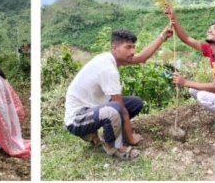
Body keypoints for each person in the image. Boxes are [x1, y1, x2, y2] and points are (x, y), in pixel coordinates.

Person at [64, 26, 172, 161]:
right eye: (128, 47)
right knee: (116, 108)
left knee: (135, 103)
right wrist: (131, 138)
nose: (132, 51)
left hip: (92, 109)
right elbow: (121, 109)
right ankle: (115, 147)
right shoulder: (108, 69)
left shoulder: (111, 59)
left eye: (133, 47)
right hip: (77, 119)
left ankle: (98, 133)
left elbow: (142, 57)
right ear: (115, 48)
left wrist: (162, 36)